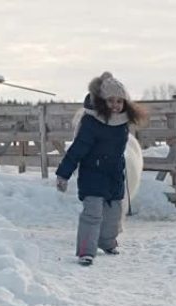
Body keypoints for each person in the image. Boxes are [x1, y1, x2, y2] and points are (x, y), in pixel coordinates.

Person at [55, 72, 146, 266]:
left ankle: (107, 242)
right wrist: (63, 174)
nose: (115, 105)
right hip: (93, 175)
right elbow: (77, 150)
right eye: (110, 101)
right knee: (93, 214)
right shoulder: (91, 123)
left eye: (119, 101)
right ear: (102, 102)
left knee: (113, 213)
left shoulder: (122, 123)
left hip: (114, 175)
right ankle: (86, 251)